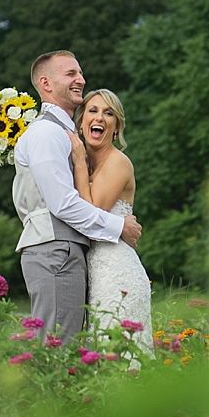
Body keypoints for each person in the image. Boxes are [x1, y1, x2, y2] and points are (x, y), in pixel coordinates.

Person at [12, 50, 142, 345]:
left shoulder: (67, 136)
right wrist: (118, 226)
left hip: (70, 251)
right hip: (56, 249)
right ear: (45, 83)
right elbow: (63, 204)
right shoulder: (47, 133)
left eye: (80, 73)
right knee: (59, 348)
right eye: (71, 74)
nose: (80, 80)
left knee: (68, 347)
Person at [66, 88, 154, 360]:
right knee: (101, 359)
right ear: (81, 121)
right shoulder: (84, 164)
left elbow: (91, 211)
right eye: (93, 111)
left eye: (108, 113)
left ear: (116, 127)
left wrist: (79, 162)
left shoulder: (118, 163)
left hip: (118, 274)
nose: (100, 118)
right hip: (94, 272)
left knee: (120, 358)